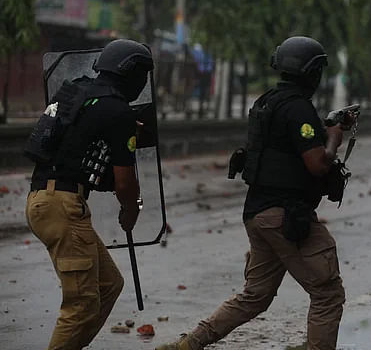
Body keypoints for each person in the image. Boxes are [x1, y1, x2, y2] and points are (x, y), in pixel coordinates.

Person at [157, 36, 351, 350]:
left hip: (259, 214)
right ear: (313, 74)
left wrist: (324, 128)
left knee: (255, 296)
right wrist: (333, 139)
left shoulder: (267, 102)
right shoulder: (300, 109)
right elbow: (317, 164)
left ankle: (189, 344)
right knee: (328, 293)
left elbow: (285, 145)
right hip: (286, 217)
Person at [25, 39, 153, 349]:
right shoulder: (118, 111)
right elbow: (124, 183)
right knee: (81, 305)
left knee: (109, 285)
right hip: (63, 204)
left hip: (43, 199)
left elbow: (77, 143)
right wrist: (131, 208)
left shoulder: (79, 92)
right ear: (132, 76)